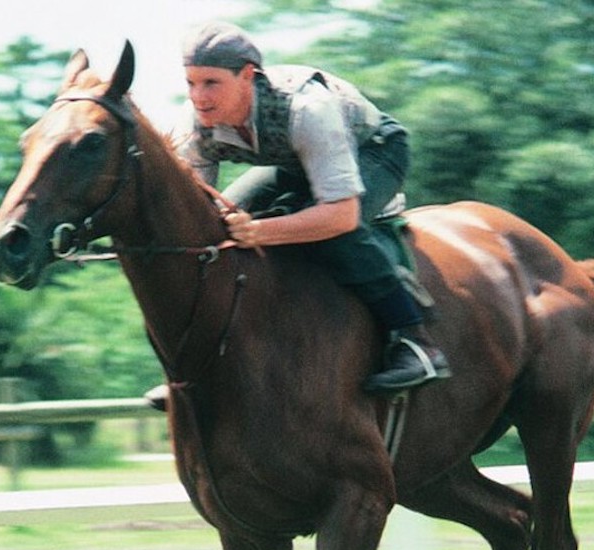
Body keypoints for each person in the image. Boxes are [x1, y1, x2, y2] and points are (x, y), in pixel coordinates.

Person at [171, 20, 450, 395]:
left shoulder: (307, 110)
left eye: (211, 83)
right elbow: (196, 207)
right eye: (191, 83)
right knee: (216, 233)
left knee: (334, 236)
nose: (198, 97)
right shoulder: (198, 124)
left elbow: (340, 215)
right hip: (296, 164)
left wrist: (263, 230)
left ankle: (416, 342)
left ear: (247, 77)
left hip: (375, 150)